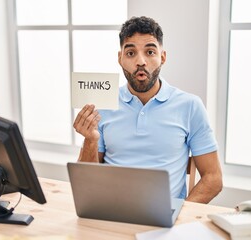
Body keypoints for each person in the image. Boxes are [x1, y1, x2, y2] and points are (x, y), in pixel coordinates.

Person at [73, 16, 222, 204]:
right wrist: (91, 139)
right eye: (130, 53)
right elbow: (87, 181)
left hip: (165, 222)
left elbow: (213, 178)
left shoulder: (190, 106)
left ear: (163, 57)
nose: (140, 61)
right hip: (109, 211)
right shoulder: (103, 105)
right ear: (120, 58)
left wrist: (180, 217)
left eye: (150, 52)